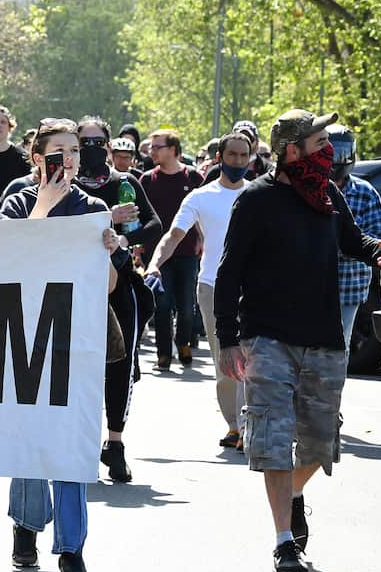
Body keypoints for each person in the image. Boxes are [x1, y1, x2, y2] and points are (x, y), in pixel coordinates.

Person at [215, 109, 381, 572]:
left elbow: (353, 242)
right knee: (274, 440)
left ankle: (294, 494)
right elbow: (228, 272)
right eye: (319, 143)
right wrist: (228, 341)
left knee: (320, 445)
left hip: (323, 338)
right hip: (267, 337)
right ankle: (283, 544)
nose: (328, 153)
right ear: (291, 150)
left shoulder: (328, 194)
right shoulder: (256, 201)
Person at [0, 118, 122, 572]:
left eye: (73, 151)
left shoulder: (93, 208)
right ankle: (26, 525)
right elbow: (5, 258)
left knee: (72, 443)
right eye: (58, 152)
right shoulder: (16, 202)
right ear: (37, 158)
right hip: (25, 333)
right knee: (29, 437)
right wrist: (43, 207)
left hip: (77, 337)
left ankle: (72, 551)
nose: (68, 159)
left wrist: (109, 252)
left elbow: (108, 286)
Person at [145, 131, 253, 449]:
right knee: (226, 360)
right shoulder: (200, 197)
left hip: (255, 290)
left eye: (243, 156)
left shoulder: (258, 195)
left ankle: (250, 423)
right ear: (219, 158)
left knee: (253, 358)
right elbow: (174, 236)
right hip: (213, 288)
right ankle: (233, 425)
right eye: (232, 155)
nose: (238, 161)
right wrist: (154, 264)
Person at [74, 118, 162, 483]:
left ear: (110, 145)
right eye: (85, 142)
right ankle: (80, 441)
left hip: (120, 282)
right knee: (78, 367)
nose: (93, 147)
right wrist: (104, 220)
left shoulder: (125, 183)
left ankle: (115, 443)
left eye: (99, 141)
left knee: (120, 365)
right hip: (76, 285)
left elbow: (155, 224)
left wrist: (126, 240)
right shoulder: (69, 187)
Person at [140, 128, 204, 369]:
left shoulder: (194, 178)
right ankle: (163, 354)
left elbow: (200, 214)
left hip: (188, 252)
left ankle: (184, 342)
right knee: (163, 305)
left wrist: (202, 239)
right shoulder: (147, 180)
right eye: (152, 147)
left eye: (158, 147)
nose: (152, 151)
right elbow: (141, 217)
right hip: (157, 254)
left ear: (173, 149)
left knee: (187, 305)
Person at [328, 125, 381, 350]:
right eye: (332, 152)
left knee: (338, 348)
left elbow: (374, 239)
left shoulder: (366, 192)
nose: (337, 159)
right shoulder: (311, 190)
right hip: (311, 284)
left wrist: (339, 246)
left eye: (342, 152)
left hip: (348, 285)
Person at [204, 120, 271, 182]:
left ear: (257, 142)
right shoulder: (218, 171)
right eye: (239, 138)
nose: (244, 143)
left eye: (249, 138)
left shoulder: (268, 170)